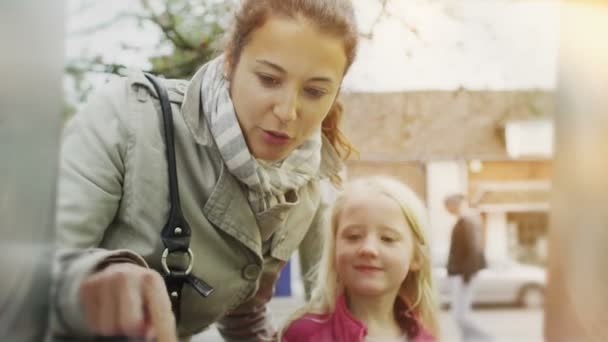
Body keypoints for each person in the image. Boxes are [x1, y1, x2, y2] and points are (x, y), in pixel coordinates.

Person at [49, 1, 359, 341]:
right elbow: (30, 273)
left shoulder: (306, 186)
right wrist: (100, 277)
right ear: (230, 61)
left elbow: (244, 310)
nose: (287, 111)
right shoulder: (127, 118)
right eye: (269, 79)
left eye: (315, 91)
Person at [281, 176, 439, 342]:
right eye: (353, 236)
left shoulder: (428, 338)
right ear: (334, 248)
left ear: (417, 257)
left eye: (387, 238)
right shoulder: (303, 335)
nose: (368, 249)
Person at [444, 194, 492, 342]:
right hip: (460, 273)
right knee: (461, 314)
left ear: (455, 204)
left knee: (460, 315)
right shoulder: (464, 220)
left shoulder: (468, 221)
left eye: (447, 206)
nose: (446, 209)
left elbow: (474, 249)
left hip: (463, 274)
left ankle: (487, 338)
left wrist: (467, 275)